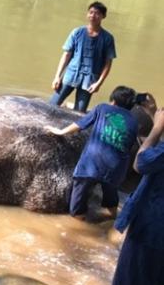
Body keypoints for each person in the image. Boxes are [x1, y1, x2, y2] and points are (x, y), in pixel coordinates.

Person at [87, 106, 164, 285]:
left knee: (137, 274)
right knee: (161, 275)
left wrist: (156, 129)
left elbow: (141, 163)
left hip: (153, 222)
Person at [45, 86, 139, 219]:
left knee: (77, 207)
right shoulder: (134, 121)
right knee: (111, 198)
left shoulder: (102, 108)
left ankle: (79, 222)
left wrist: (60, 132)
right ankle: (113, 221)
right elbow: (129, 145)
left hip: (91, 164)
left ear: (113, 101)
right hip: (116, 168)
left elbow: (80, 124)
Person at [49, 1, 116, 113]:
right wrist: (57, 77)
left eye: (97, 13)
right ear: (87, 14)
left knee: (79, 113)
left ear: (103, 16)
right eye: (91, 12)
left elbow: (108, 64)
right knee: (51, 105)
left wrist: (98, 83)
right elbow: (66, 55)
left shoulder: (107, 38)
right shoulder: (77, 32)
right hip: (71, 74)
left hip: (89, 80)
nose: (93, 16)